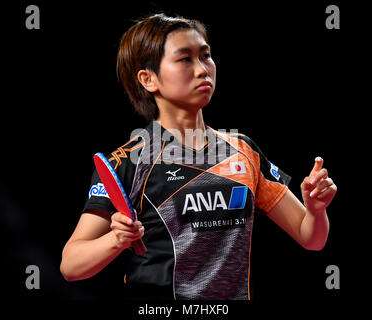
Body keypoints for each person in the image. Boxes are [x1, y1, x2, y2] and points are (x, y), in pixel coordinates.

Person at [60, 13, 337, 300]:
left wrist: (316, 210)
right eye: (185, 59)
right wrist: (116, 240)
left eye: (206, 56)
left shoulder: (244, 150)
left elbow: (311, 239)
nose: (203, 69)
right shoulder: (128, 162)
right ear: (148, 78)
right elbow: (70, 265)